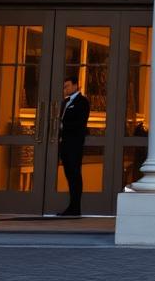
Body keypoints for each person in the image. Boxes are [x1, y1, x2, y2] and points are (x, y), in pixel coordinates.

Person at [57, 75, 90, 217]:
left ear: (76, 86)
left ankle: (76, 207)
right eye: (64, 87)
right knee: (69, 175)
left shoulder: (82, 102)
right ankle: (71, 207)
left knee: (75, 175)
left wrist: (63, 125)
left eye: (68, 86)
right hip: (64, 144)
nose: (65, 89)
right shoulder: (65, 102)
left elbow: (80, 122)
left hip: (75, 144)